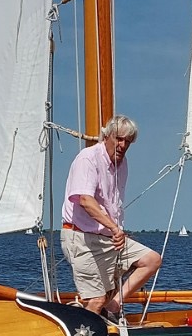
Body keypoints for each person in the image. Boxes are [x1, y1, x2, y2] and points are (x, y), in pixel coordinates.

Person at [60, 115, 163, 319]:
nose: (123, 145)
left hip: (108, 239)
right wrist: (115, 229)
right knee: (96, 300)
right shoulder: (87, 158)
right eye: (119, 139)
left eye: (128, 141)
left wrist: (117, 230)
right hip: (82, 239)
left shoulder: (122, 165)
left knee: (151, 260)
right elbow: (86, 200)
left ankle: (114, 307)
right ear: (106, 136)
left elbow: (113, 203)